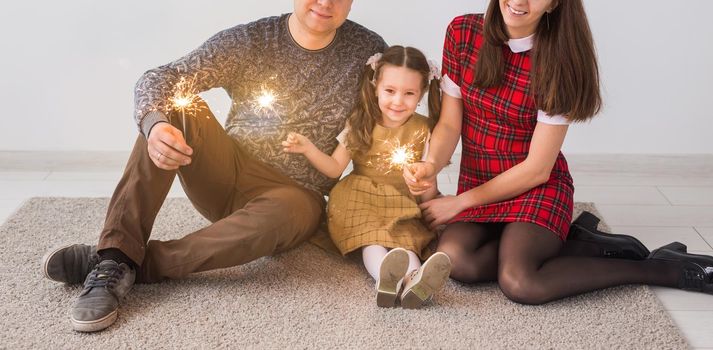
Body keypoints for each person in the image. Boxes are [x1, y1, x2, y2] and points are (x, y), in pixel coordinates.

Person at [40, 0, 387, 332]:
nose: (326, 2)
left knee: (294, 208)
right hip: (226, 170)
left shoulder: (367, 51)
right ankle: (118, 249)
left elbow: (391, 117)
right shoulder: (251, 40)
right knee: (178, 106)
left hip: (293, 197)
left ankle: (120, 262)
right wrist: (156, 126)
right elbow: (160, 77)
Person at [404, 0, 713, 304]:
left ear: (553, 4)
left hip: (536, 188)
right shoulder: (462, 32)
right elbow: (448, 124)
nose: (519, 1)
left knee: (521, 281)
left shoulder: (559, 60)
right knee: (456, 261)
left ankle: (663, 268)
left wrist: (459, 203)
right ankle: (580, 245)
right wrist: (431, 164)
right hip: (480, 182)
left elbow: (537, 169)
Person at [282, 46, 451, 309]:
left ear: (421, 94)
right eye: (390, 91)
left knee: (405, 240)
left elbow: (428, 179)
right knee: (371, 239)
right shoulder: (360, 122)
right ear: (375, 87)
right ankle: (385, 279)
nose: (398, 101)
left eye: (409, 94)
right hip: (358, 197)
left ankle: (416, 282)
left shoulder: (424, 129)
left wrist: (428, 198)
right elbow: (335, 168)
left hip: (401, 200)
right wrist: (308, 148)